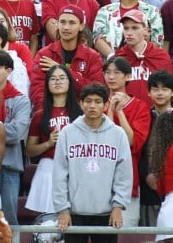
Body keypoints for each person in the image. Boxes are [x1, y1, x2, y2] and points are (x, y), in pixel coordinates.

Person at [52, 82, 132, 240]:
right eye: (88, 101)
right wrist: (62, 209)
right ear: (81, 104)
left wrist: (118, 206)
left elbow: (124, 174)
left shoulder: (118, 134)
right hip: (74, 213)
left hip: (107, 213)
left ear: (105, 104)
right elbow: (59, 174)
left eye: (97, 101)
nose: (92, 106)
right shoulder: (67, 133)